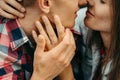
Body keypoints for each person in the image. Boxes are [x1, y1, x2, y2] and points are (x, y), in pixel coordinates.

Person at [3, 0, 119, 80]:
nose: (85, 1)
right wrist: (42, 76)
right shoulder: (4, 58)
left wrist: (65, 72)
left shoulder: (74, 28)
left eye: (103, 1)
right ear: (46, 3)